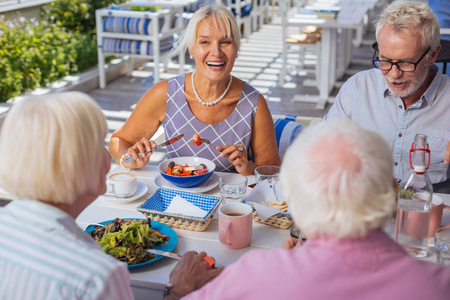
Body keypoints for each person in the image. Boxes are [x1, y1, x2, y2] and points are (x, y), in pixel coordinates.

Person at [163, 118, 450, 300]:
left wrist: (177, 291)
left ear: (295, 203)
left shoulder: (254, 275)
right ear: (390, 191)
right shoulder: (439, 285)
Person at [108, 3, 281, 175]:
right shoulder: (165, 94)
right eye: (204, 42)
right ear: (191, 47)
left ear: (236, 48)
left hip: (230, 199)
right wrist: (128, 159)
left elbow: (273, 171)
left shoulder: (254, 103)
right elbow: (118, 141)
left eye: (226, 42)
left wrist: (247, 167)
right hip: (176, 196)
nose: (216, 52)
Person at [0, 92, 134, 300]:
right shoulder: (98, 275)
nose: (108, 156)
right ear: (75, 165)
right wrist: (175, 292)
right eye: (98, 145)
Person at [324, 1, 450, 193]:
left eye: (406, 63)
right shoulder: (357, 88)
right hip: (363, 209)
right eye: (384, 60)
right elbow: (321, 150)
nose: (393, 75)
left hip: (429, 214)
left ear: (432, 55)